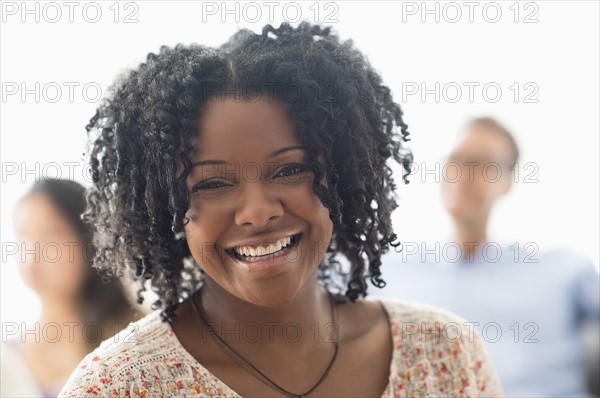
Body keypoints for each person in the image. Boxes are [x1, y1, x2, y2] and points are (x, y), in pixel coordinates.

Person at [58, 22, 503, 397]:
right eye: (212, 183)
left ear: (342, 174)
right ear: (168, 208)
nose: (257, 212)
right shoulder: (116, 387)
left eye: (290, 170)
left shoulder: (445, 353)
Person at [372, 117, 600, 397]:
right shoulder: (391, 272)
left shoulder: (564, 269)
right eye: (455, 160)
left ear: (507, 182)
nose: (461, 175)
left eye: (480, 165)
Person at [1, 179, 141, 397]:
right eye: (23, 235)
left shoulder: (135, 340)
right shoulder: (8, 358)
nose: (32, 252)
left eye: (51, 235)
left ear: (89, 241)